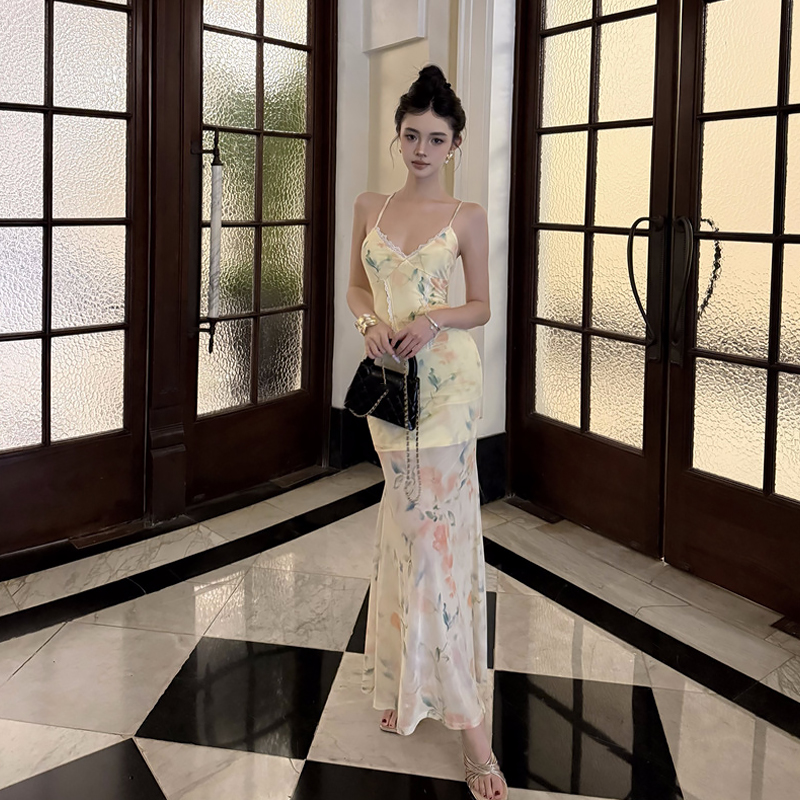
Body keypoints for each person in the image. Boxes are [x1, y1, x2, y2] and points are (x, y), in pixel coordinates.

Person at [346, 65, 507, 800]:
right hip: (390, 391)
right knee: (404, 532)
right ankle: (401, 681)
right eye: (411, 135)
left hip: (447, 395)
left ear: (455, 144)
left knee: (436, 547)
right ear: (399, 134)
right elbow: (357, 285)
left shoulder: (465, 214)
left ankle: (473, 732)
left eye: (435, 139)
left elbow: (482, 306)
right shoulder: (369, 207)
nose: (420, 149)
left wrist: (433, 318)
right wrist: (369, 322)